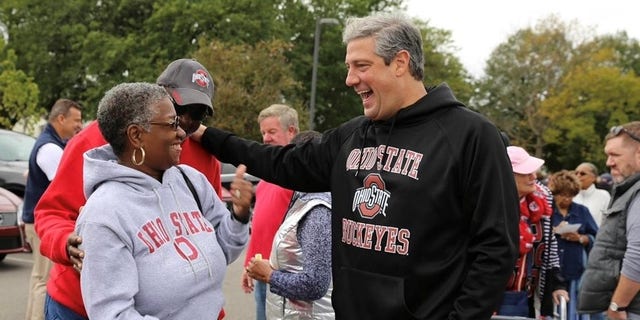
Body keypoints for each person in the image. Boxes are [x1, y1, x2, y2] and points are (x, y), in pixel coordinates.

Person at [193, 12, 519, 319]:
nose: (350, 79)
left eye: (361, 65)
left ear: (400, 63)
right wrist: (205, 134)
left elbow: (496, 247)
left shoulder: (471, 136)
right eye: (349, 67)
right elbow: (281, 162)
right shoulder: (352, 135)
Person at [35, 58, 225, 320]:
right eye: (179, 107)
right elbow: (50, 212)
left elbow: (210, 236)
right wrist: (65, 243)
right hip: (77, 305)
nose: (185, 121)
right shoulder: (97, 138)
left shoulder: (204, 159)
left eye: (198, 114)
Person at [75, 82, 251, 319]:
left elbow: (225, 250)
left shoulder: (191, 181)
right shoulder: (104, 215)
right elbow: (113, 313)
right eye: (172, 124)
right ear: (136, 135)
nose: (182, 132)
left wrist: (239, 216)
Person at [245, 130, 333, 319]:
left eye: (291, 160)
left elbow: (315, 283)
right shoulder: (305, 198)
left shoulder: (317, 209)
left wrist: (269, 275)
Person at [22, 98, 83, 320]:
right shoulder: (50, 148)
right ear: (60, 118)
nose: (80, 125)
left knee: (38, 278)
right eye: (76, 121)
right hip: (43, 226)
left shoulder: (49, 143)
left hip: (33, 221)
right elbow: (66, 182)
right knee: (44, 281)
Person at [496, 146, 569, 319]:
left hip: (528, 294)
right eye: (525, 172)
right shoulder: (487, 201)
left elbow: (550, 247)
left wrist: (557, 283)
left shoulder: (542, 200)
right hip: (488, 294)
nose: (534, 177)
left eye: (533, 171)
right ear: (507, 174)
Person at [578, 122, 640, 320]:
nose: (608, 162)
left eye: (615, 155)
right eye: (607, 155)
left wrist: (617, 306)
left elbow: (638, 254)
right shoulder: (630, 189)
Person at [241, 104, 297, 320]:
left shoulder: (299, 175)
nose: (265, 138)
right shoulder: (267, 176)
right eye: (263, 132)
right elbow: (261, 226)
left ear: (291, 131)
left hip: (284, 276)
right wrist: (249, 264)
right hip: (262, 271)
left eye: (272, 132)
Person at [548, 170, 599, 320]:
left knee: (573, 310)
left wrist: (580, 238)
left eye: (570, 195)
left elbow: (596, 237)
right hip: (552, 270)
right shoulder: (546, 210)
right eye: (563, 194)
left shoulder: (582, 211)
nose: (567, 199)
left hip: (574, 268)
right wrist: (554, 231)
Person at [573, 162, 611, 226]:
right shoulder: (571, 196)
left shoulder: (604, 195)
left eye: (582, 174)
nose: (578, 176)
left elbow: (609, 221)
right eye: (576, 173)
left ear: (594, 177)